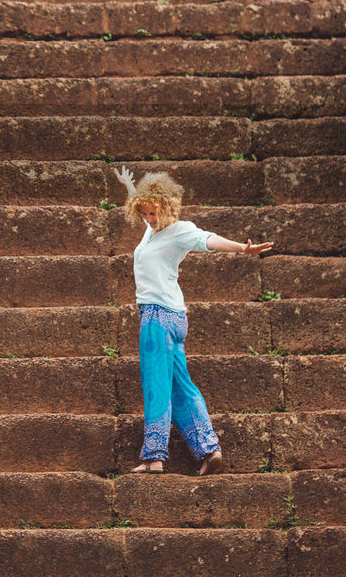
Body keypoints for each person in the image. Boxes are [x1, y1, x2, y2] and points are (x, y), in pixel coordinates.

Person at [114, 166, 274, 475]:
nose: (150, 218)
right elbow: (147, 203)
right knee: (179, 386)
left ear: (167, 207)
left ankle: (154, 456)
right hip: (173, 317)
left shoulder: (179, 230)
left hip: (157, 318)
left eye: (154, 212)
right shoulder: (152, 229)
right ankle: (208, 449)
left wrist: (243, 248)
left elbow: (208, 239)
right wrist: (130, 188)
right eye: (145, 213)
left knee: (155, 385)